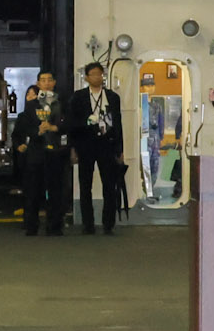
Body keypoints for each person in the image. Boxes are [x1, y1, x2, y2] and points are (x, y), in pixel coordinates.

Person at [66, 62, 127, 235]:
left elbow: (118, 124)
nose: (97, 77)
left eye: (99, 74)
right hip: (85, 145)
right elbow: (71, 123)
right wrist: (73, 147)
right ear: (86, 77)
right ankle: (88, 224)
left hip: (107, 145)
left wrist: (119, 149)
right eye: (93, 74)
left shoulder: (112, 97)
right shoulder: (78, 97)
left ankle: (108, 224)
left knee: (109, 184)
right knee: (85, 186)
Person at [11, 72, 68, 237]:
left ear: (54, 82)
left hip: (56, 152)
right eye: (43, 80)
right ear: (38, 83)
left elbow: (68, 123)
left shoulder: (61, 103)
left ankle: (55, 226)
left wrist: (55, 128)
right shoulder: (31, 105)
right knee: (33, 191)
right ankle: (31, 226)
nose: (47, 83)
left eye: (50, 80)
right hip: (36, 153)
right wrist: (38, 131)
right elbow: (24, 127)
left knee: (56, 191)